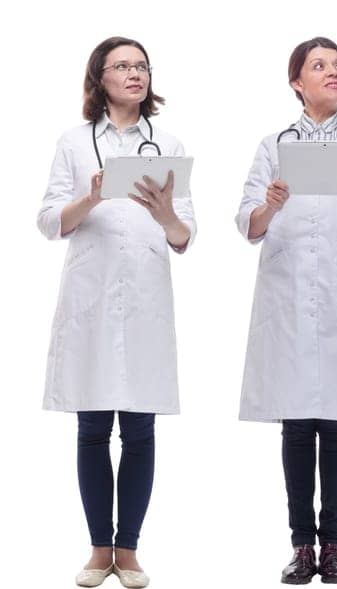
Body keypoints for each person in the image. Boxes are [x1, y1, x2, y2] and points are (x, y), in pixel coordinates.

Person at [235, 36, 337, 585]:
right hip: (288, 292)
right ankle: (300, 546)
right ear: (296, 83)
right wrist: (271, 204)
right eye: (320, 66)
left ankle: (334, 546)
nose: (333, 73)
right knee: (296, 423)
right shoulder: (273, 145)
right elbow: (250, 226)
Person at [39, 36, 194, 589]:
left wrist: (168, 213)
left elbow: (183, 237)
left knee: (140, 428)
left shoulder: (167, 142)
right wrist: (93, 198)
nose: (135, 73)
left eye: (142, 66)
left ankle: (127, 551)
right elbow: (49, 219)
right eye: (123, 66)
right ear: (98, 77)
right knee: (91, 426)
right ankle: (97, 547)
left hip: (147, 299)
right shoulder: (76, 143)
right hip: (93, 298)